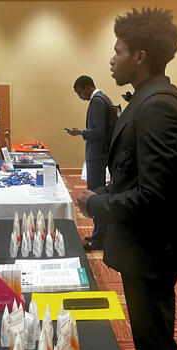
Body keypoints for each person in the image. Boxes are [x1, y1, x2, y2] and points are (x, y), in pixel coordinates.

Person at [77, 7, 177, 350]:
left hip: (151, 250)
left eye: (118, 52)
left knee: (155, 344)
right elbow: (133, 175)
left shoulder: (158, 106)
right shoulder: (147, 99)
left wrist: (96, 204)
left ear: (140, 57)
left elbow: (154, 195)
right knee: (148, 340)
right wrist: (105, 192)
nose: (111, 60)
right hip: (144, 247)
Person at [67, 75, 114, 250]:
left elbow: (99, 131)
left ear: (87, 87)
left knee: (95, 195)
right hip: (101, 153)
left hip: (97, 154)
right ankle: (100, 234)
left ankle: (100, 237)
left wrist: (81, 132)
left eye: (79, 92)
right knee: (99, 194)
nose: (80, 97)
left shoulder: (97, 101)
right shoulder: (104, 99)